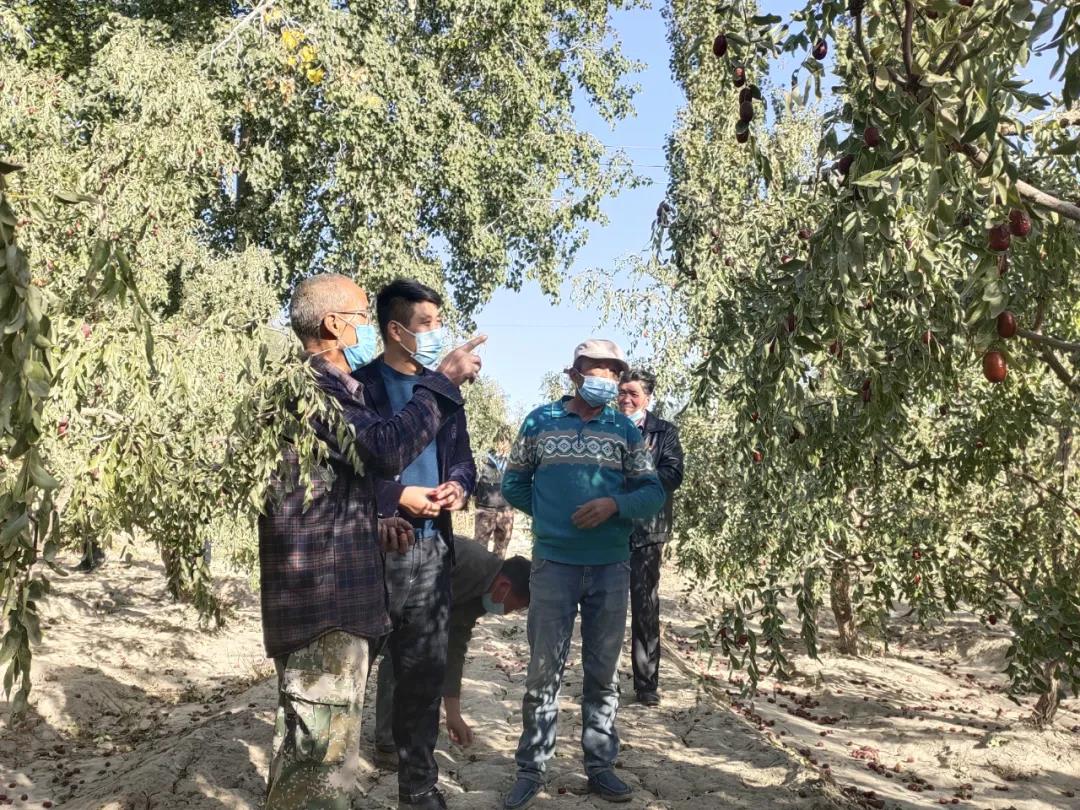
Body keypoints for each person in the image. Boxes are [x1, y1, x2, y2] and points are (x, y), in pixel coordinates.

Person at [258, 272, 483, 810]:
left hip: (370, 571)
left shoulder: (331, 386)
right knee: (319, 747)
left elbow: (346, 476)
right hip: (327, 593)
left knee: (325, 739)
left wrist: (447, 488)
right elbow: (381, 450)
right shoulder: (320, 388)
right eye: (361, 315)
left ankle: (416, 785)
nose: (366, 325)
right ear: (335, 324)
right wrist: (443, 383)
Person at [500, 339, 666, 809]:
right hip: (553, 565)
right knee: (543, 672)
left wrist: (615, 505)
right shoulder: (540, 422)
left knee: (602, 673)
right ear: (574, 374)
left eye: (614, 372)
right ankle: (531, 769)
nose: (607, 380)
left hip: (610, 566)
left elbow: (652, 492)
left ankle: (600, 766)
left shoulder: (624, 431)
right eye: (597, 370)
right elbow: (513, 482)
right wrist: (552, 517)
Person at [351, 278, 477, 810]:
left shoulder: (443, 394)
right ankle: (329, 780)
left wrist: (458, 488)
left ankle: (419, 789)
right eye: (426, 324)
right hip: (372, 553)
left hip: (431, 552)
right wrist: (395, 497)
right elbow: (351, 470)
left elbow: (463, 461)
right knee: (351, 672)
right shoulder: (359, 388)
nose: (436, 334)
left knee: (422, 676)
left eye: (438, 323)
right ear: (395, 330)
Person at [374, 537, 531, 761]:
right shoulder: (469, 565)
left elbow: (454, 647)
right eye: (514, 608)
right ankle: (387, 743)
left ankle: (394, 737)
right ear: (504, 588)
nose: (509, 613)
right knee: (401, 655)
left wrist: (453, 713)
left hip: (407, 600)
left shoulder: (483, 592)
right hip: (384, 581)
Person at [616, 369, 684, 707]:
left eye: (633, 393)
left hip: (647, 531)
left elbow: (673, 473)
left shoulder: (664, 432)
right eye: (622, 392)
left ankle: (646, 684)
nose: (626, 399)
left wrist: (638, 479)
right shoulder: (606, 427)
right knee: (608, 607)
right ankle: (604, 680)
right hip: (609, 530)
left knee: (645, 606)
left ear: (647, 397)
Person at [473, 427, 516, 557]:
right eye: (500, 440)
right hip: (486, 508)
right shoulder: (484, 458)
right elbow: (475, 480)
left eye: (505, 441)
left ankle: (495, 570)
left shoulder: (512, 459)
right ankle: (480, 570)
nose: (503, 444)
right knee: (480, 548)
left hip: (505, 510)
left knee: (500, 547)